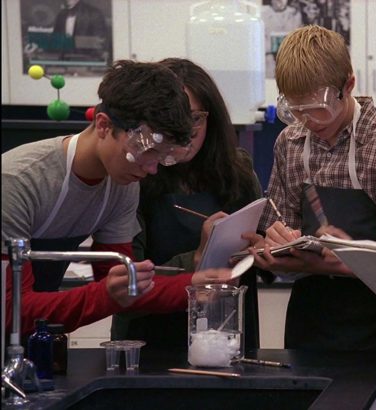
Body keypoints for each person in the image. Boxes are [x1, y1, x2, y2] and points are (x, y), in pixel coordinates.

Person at [2, 60, 233, 336]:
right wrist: (106, 295)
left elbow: (126, 284)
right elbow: (10, 310)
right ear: (103, 125)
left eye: (162, 157)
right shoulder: (18, 182)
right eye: (143, 150)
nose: (151, 169)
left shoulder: (122, 183)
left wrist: (194, 285)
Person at [245, 25, 376, 354]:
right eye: (297, 110)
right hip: (309, 321)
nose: (308, 121)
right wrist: (278, 244)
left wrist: (336, 257)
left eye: (318, 109)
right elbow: (278, 228)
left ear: (348, 85)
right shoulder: (290, 143)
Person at [110, 58, 263, 352]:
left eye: (195, 118)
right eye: (173, 120)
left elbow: (259, 262)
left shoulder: (238, 172)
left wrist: (266, 249)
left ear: (212, 119)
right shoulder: (134, 176)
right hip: (151, 343)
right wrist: (197, 259)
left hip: (226, 339)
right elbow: (123, 285)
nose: (185, 131)